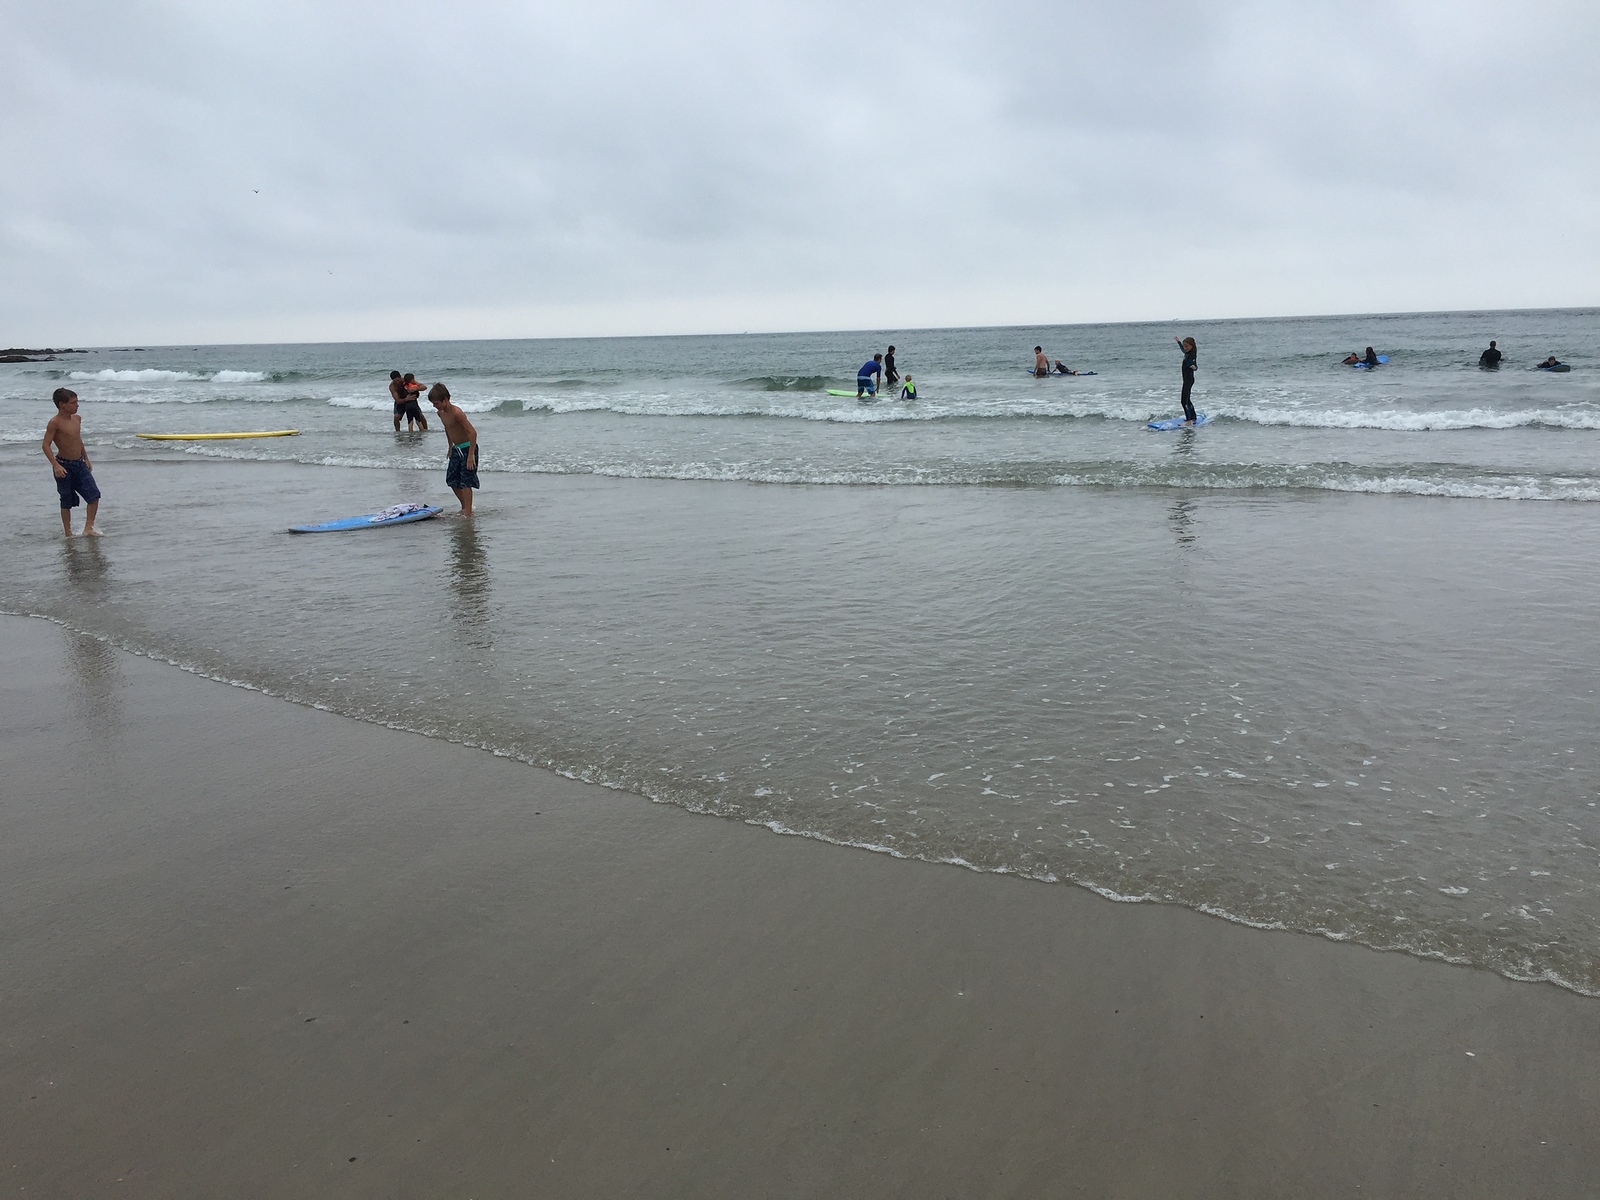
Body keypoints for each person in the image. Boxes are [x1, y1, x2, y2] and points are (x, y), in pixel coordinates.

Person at [42, 387, 101, 536]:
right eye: (73, 403)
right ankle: (68, 533)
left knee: (94, 495)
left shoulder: (77, 419)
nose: (77, 405)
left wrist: (86, 458)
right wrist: (55, 466)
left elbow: (77, 440)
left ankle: (89, 528)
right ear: (62, 404)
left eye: (77, 402)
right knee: (66, 501)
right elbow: (45, 445)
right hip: (63, 465)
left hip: (79, 464)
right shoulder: (54, 423)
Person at [427, 383, 478, 516]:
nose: (434, 406)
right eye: (433, 403)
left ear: (445, 399)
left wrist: (471, 455)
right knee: (452, 480)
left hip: (468, 448)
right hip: (456, 449)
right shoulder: (441, 413)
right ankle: (465, 506)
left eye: (436, 403)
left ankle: (468, 512)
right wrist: (450, 447)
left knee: (466, 482)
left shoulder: (457, 413)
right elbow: (448, 428)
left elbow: (472, 433)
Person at [1174, 336, 1198, 424]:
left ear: (1192, 346)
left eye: (1187, 346)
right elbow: (1183, 350)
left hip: (1189, 380)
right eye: (1184, 346)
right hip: (1187, 380)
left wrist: (1194, 367)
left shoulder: (1192, 355)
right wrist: (1179, 342)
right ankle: (1193, 417)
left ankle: (1188, 420)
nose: (1185, 348)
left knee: (1184, 401)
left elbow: (1195, 365)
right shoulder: (1187, 353)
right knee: (1187, 400)